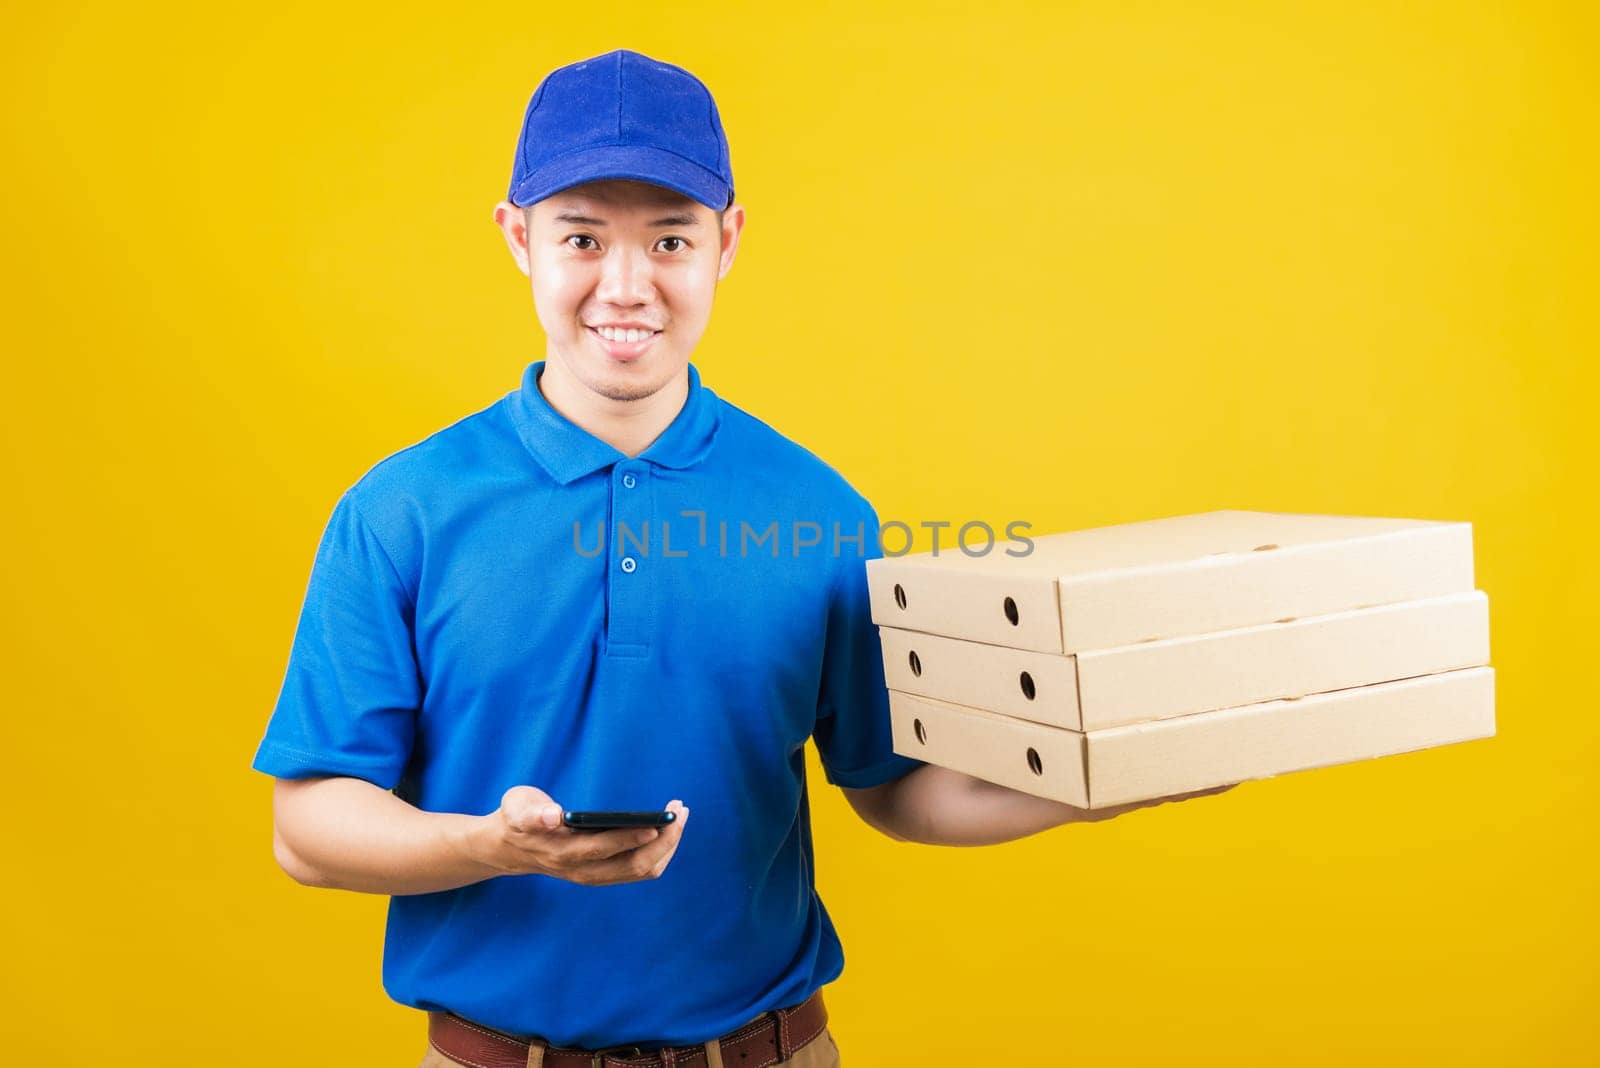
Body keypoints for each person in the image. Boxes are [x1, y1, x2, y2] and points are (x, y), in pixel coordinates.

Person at [253, 48, 1225, 1068]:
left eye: (669, 239)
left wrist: (1138, 767)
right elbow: (308, 828)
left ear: (726, 244)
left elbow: (900, 788)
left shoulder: (818, 511)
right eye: (580, 236)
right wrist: (487, 844)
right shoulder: (400, 510)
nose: (624, 286)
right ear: (516, 238)